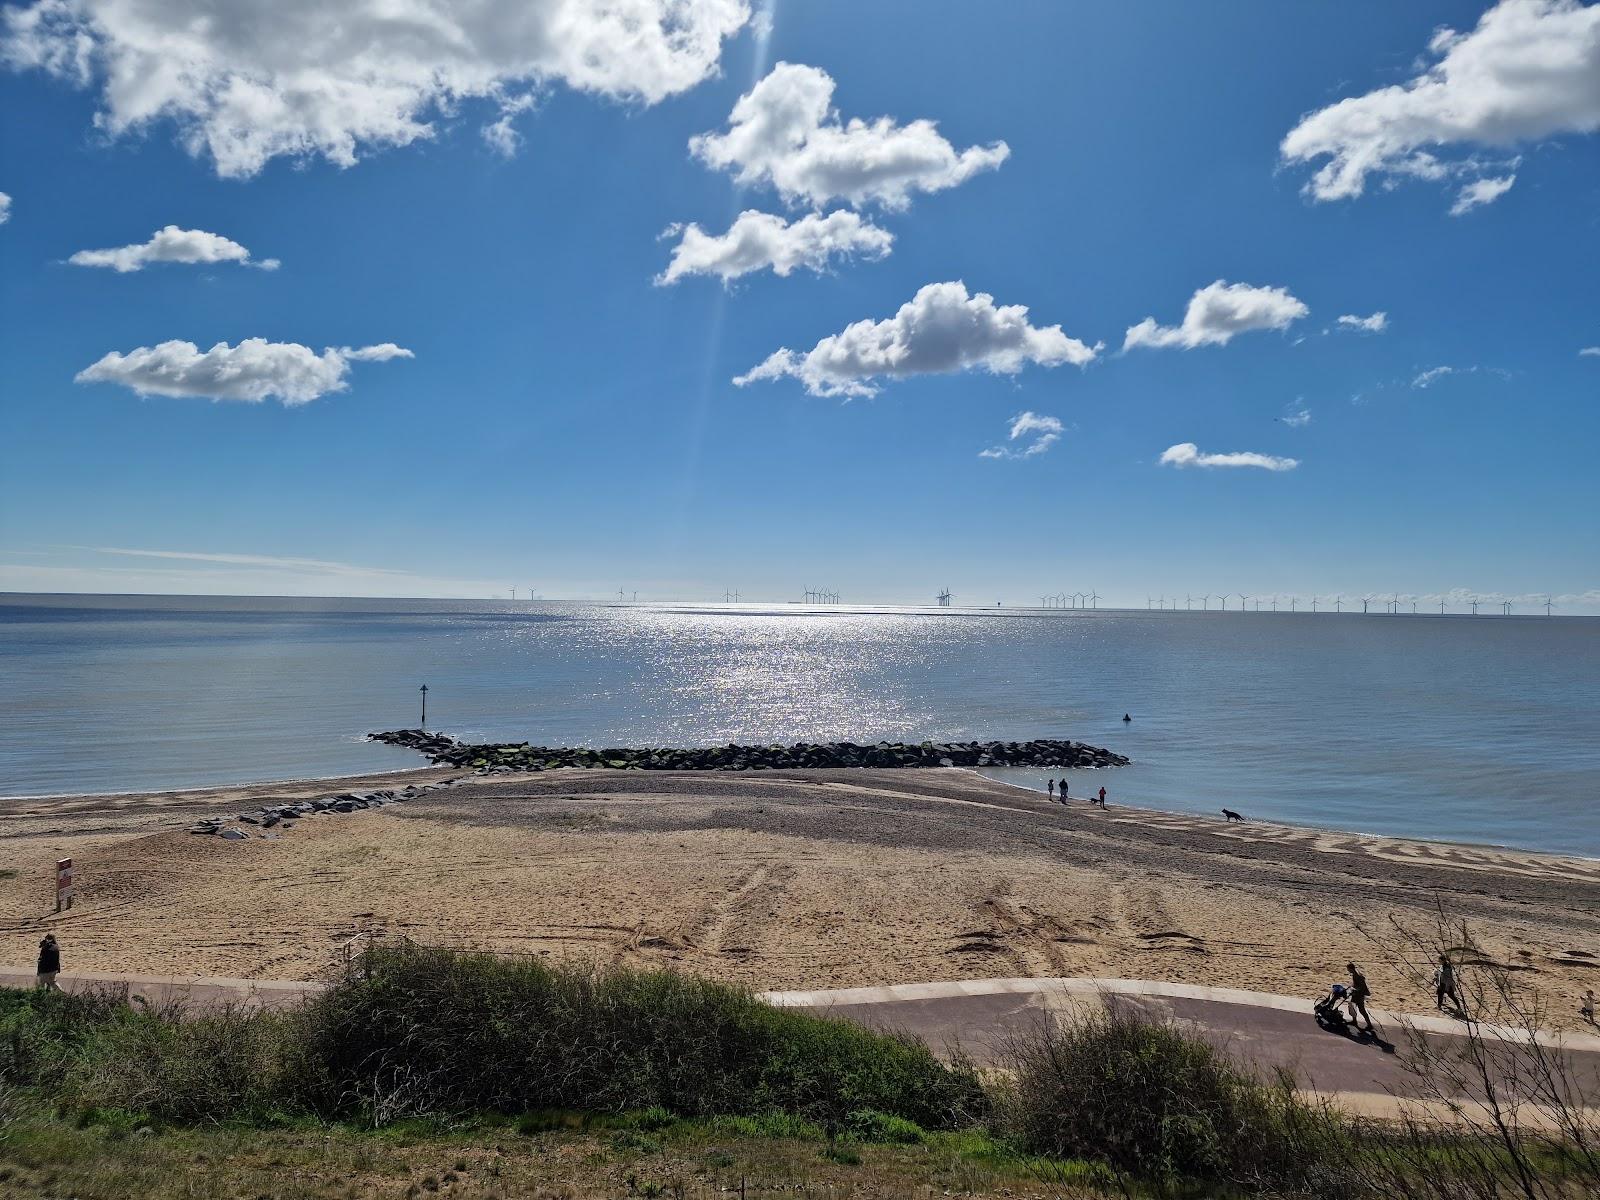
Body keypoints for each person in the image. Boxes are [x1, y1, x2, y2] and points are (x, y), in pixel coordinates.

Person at [1346, 962, 1374, 1032]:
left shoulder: (1357, 976)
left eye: (1348, 969)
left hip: (1359, 995)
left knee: (1362, 1010)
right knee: (1352, 1006)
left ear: (1351, 969)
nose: (1348, 970)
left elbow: (1361, 986)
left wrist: (1354, 989)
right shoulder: (1355, 973)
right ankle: (1354, 1021)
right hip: (1356, 994)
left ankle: (1369, 1025)